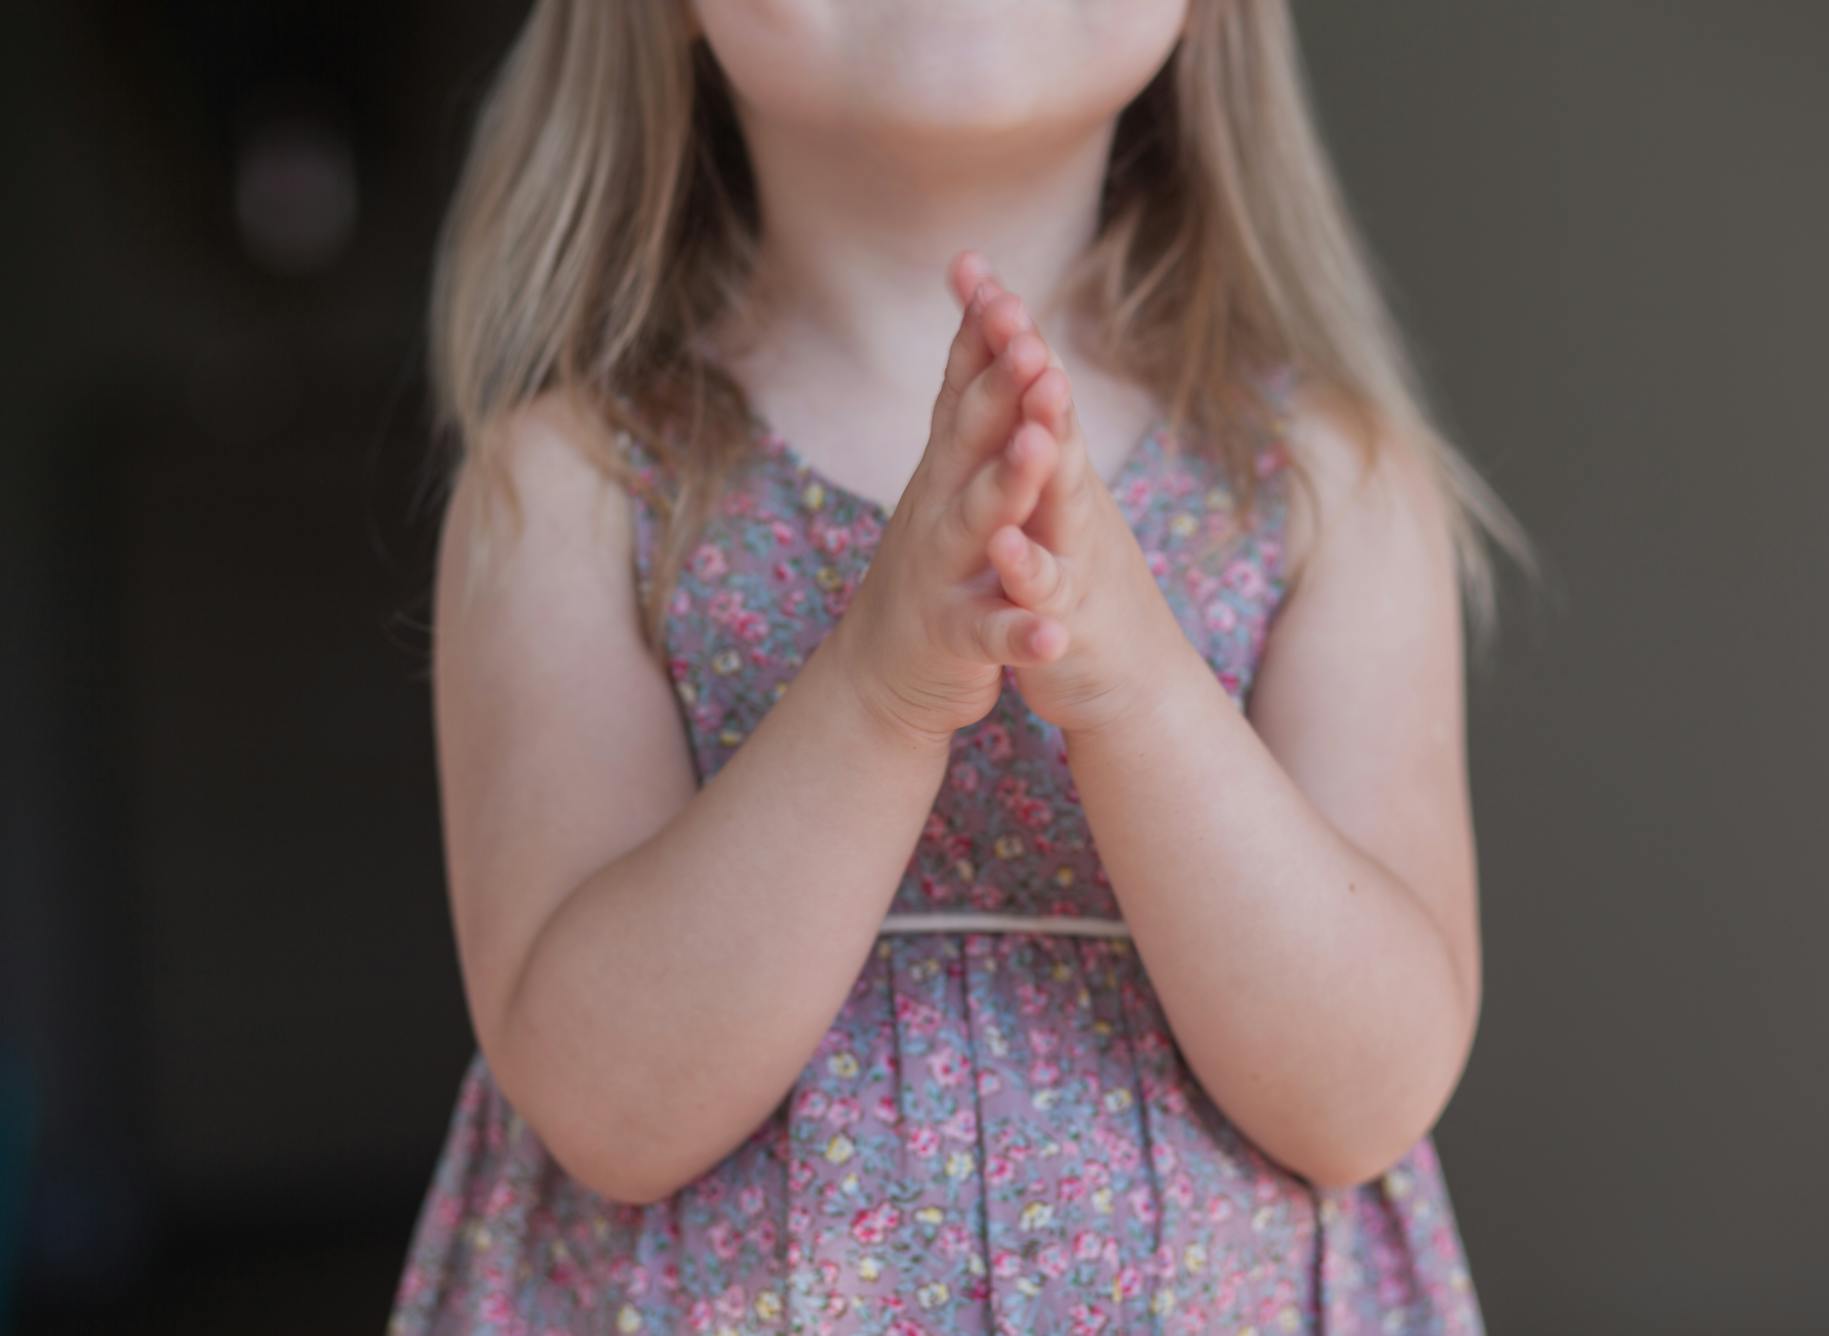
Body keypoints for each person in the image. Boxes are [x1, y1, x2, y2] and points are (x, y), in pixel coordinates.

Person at [390, 2, 1536, 1332]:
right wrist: (879, 696)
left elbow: (1366, 1097)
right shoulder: (574, 490)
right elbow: (605, 1101)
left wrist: (1137, 690)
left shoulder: (1328, 491)